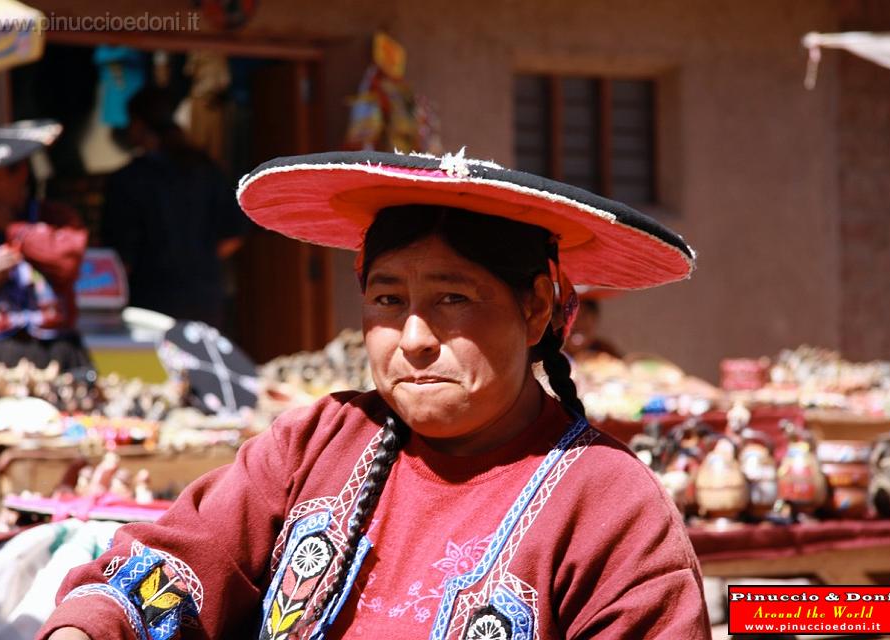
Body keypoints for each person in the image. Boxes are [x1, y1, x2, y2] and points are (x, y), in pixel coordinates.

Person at [41, 151, 709, 639]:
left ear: (536, 309)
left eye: (453, 298)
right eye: (387, 300)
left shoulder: (608, 503)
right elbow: (174, 565)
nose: (412, 338)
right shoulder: (318, 442)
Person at [0, 121, 90, 383]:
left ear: (20, 173)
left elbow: (66, 264)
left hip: (55, 354)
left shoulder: (58, 219)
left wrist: (16, 230)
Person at [101, 86, 249, 329]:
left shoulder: (128, 179)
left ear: (138, 125)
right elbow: (233, 234)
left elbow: (120, 257)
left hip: (151, 301)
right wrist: (199, 260)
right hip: (204, 296)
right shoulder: (207, 169)